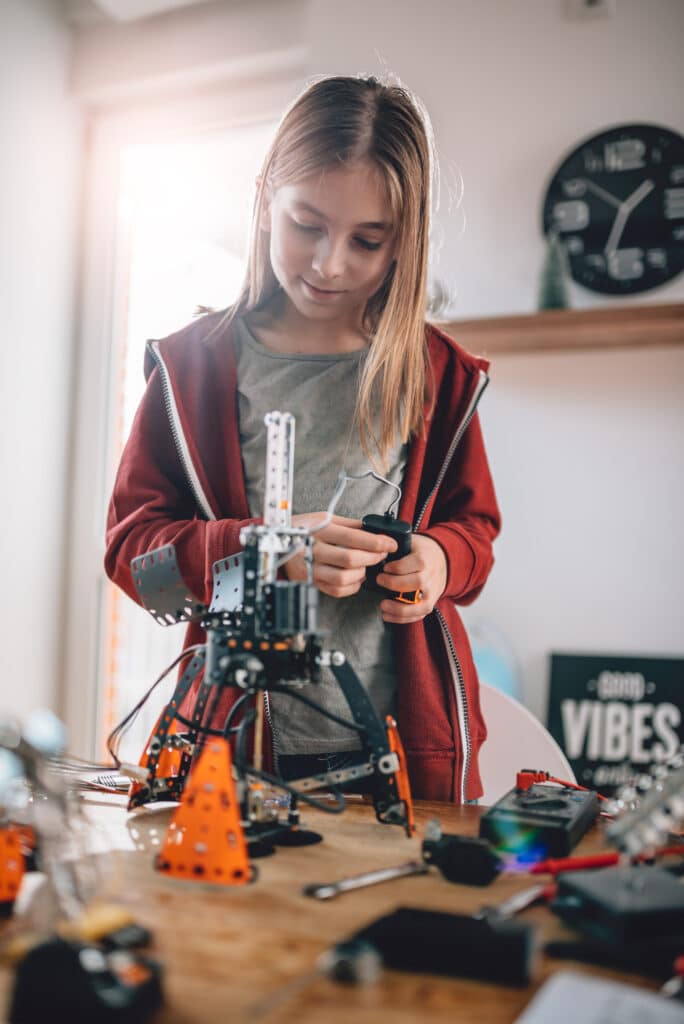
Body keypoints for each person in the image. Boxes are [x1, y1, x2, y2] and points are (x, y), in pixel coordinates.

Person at [105, 75, 501, 803]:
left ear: (403, 243)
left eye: (367, 240)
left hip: (404, 753)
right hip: (233, 752)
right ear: (264, 201)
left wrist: (442, 562)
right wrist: (268, 553)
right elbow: (139, 567)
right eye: (306, 225)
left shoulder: (439, 375)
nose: (329, 264)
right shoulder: (188, 368)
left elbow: (476, 534)